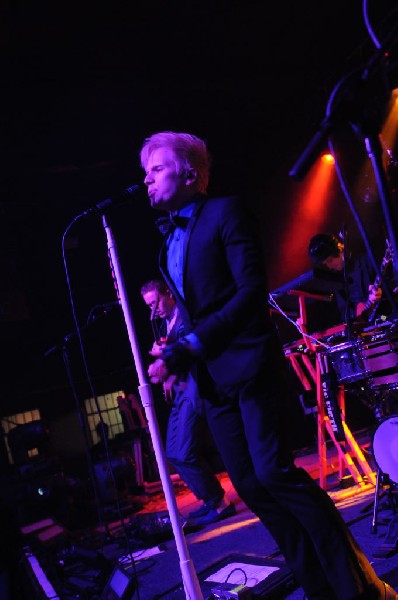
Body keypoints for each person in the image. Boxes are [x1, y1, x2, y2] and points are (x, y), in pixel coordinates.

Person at [137, 130, 397, 599]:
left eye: (156, 169)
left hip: (249, 369)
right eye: (145, 172)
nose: (146, 180)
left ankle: (360, 588)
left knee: (277, 474)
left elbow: (248, 292)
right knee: (253, 488)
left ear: (191, 172)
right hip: (212, 383)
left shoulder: (225, 212)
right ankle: (320, 589)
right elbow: (198, 308)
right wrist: (174, 352)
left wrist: (191, 342)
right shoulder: (168, 242)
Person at [140, 278, 235, 525]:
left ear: (168, 293)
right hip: (181, 390)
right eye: (149, 306)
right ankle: (211, 500)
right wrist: (169, 378)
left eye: (156, 302)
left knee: (184, 450)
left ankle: (219, 503)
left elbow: (191, 350)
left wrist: (163, 360)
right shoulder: (163, 326)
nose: (154, 309)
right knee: (173, 453)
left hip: (194, 388)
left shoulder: (185, 316)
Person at [308, 232, 395, 324]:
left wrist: (382, 292)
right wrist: (357, 316)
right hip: (364, 327)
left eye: (330, 260)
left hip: (383, 315)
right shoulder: (337, 280)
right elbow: (344, 313)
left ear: (339, 249)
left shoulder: (366, 261)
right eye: (326, 264)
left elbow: (393, 284)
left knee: (389, 319)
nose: (330, 266)